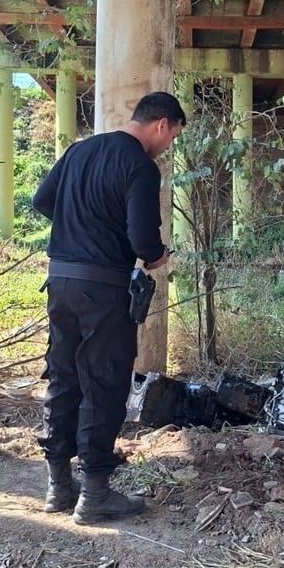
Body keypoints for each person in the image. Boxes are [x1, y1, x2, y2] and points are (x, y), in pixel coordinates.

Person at [31, 91, 185, 525]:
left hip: (60, 281)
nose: (168, 144)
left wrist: (80, 230)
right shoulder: (139, 166)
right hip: (102, 289)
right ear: (162, 124)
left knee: (63, 377)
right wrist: (156, 255)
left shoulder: (78, 151)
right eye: (172, 135)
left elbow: (43, 201)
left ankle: (59, 486)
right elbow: (143, 243)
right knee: (104, 382)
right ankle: (95, 493)